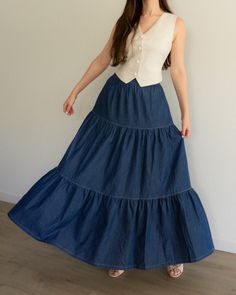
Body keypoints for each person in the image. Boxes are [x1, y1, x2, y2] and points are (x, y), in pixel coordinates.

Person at [8, 0, 215, 280]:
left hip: (151, 107)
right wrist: (75, 91)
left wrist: (186, 114)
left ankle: (172, 251)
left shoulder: (175, 24)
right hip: (115, 104)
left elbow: (177, 70)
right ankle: (117, 252)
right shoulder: (125, 21)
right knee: (116, 180)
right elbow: (103, 58)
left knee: (161, 180)